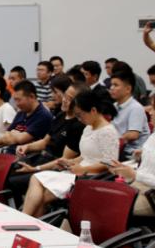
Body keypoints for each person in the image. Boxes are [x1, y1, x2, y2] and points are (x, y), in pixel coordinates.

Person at [21, 89, 120, 217]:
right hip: (78, 172)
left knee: (41, 193)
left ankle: (25, 220)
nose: (79, 119)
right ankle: (26, 219)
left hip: (91, 178)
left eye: (80, 115)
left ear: (93, 111)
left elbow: (110, 164)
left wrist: (83, 169)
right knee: (36, 181)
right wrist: (69, 162)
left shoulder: (108, 132)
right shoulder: (88, 128)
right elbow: (85, 156)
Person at [9, 78, 85, 202]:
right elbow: (44, 142)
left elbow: (63, 161)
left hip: (53, 166)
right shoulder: (61, 115)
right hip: (41, 157)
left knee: (13, 181)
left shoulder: (78, 125)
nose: (64, 100)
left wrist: (36, 169)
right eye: (65, 95)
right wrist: (27, 147)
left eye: (69, 98)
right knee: (7, 171)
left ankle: (20, 208)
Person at [0, 80, 52, 152]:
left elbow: (22, 139)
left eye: (19, 100)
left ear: (32, 96)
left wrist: (14, 133)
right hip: (9, 152)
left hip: (25, 155)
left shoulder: (43, 116)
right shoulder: (22, 112)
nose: (17, 104)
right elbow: (6, 135)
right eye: (15, 100)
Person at [109, 69, 150, 159]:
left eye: (115, 85)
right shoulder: (114, 106)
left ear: (128, 89)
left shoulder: (135, 108)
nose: (111, 88)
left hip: (131, 153)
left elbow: (133, 134)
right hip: (117, 149)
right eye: (111, 85)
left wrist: (112, 140)